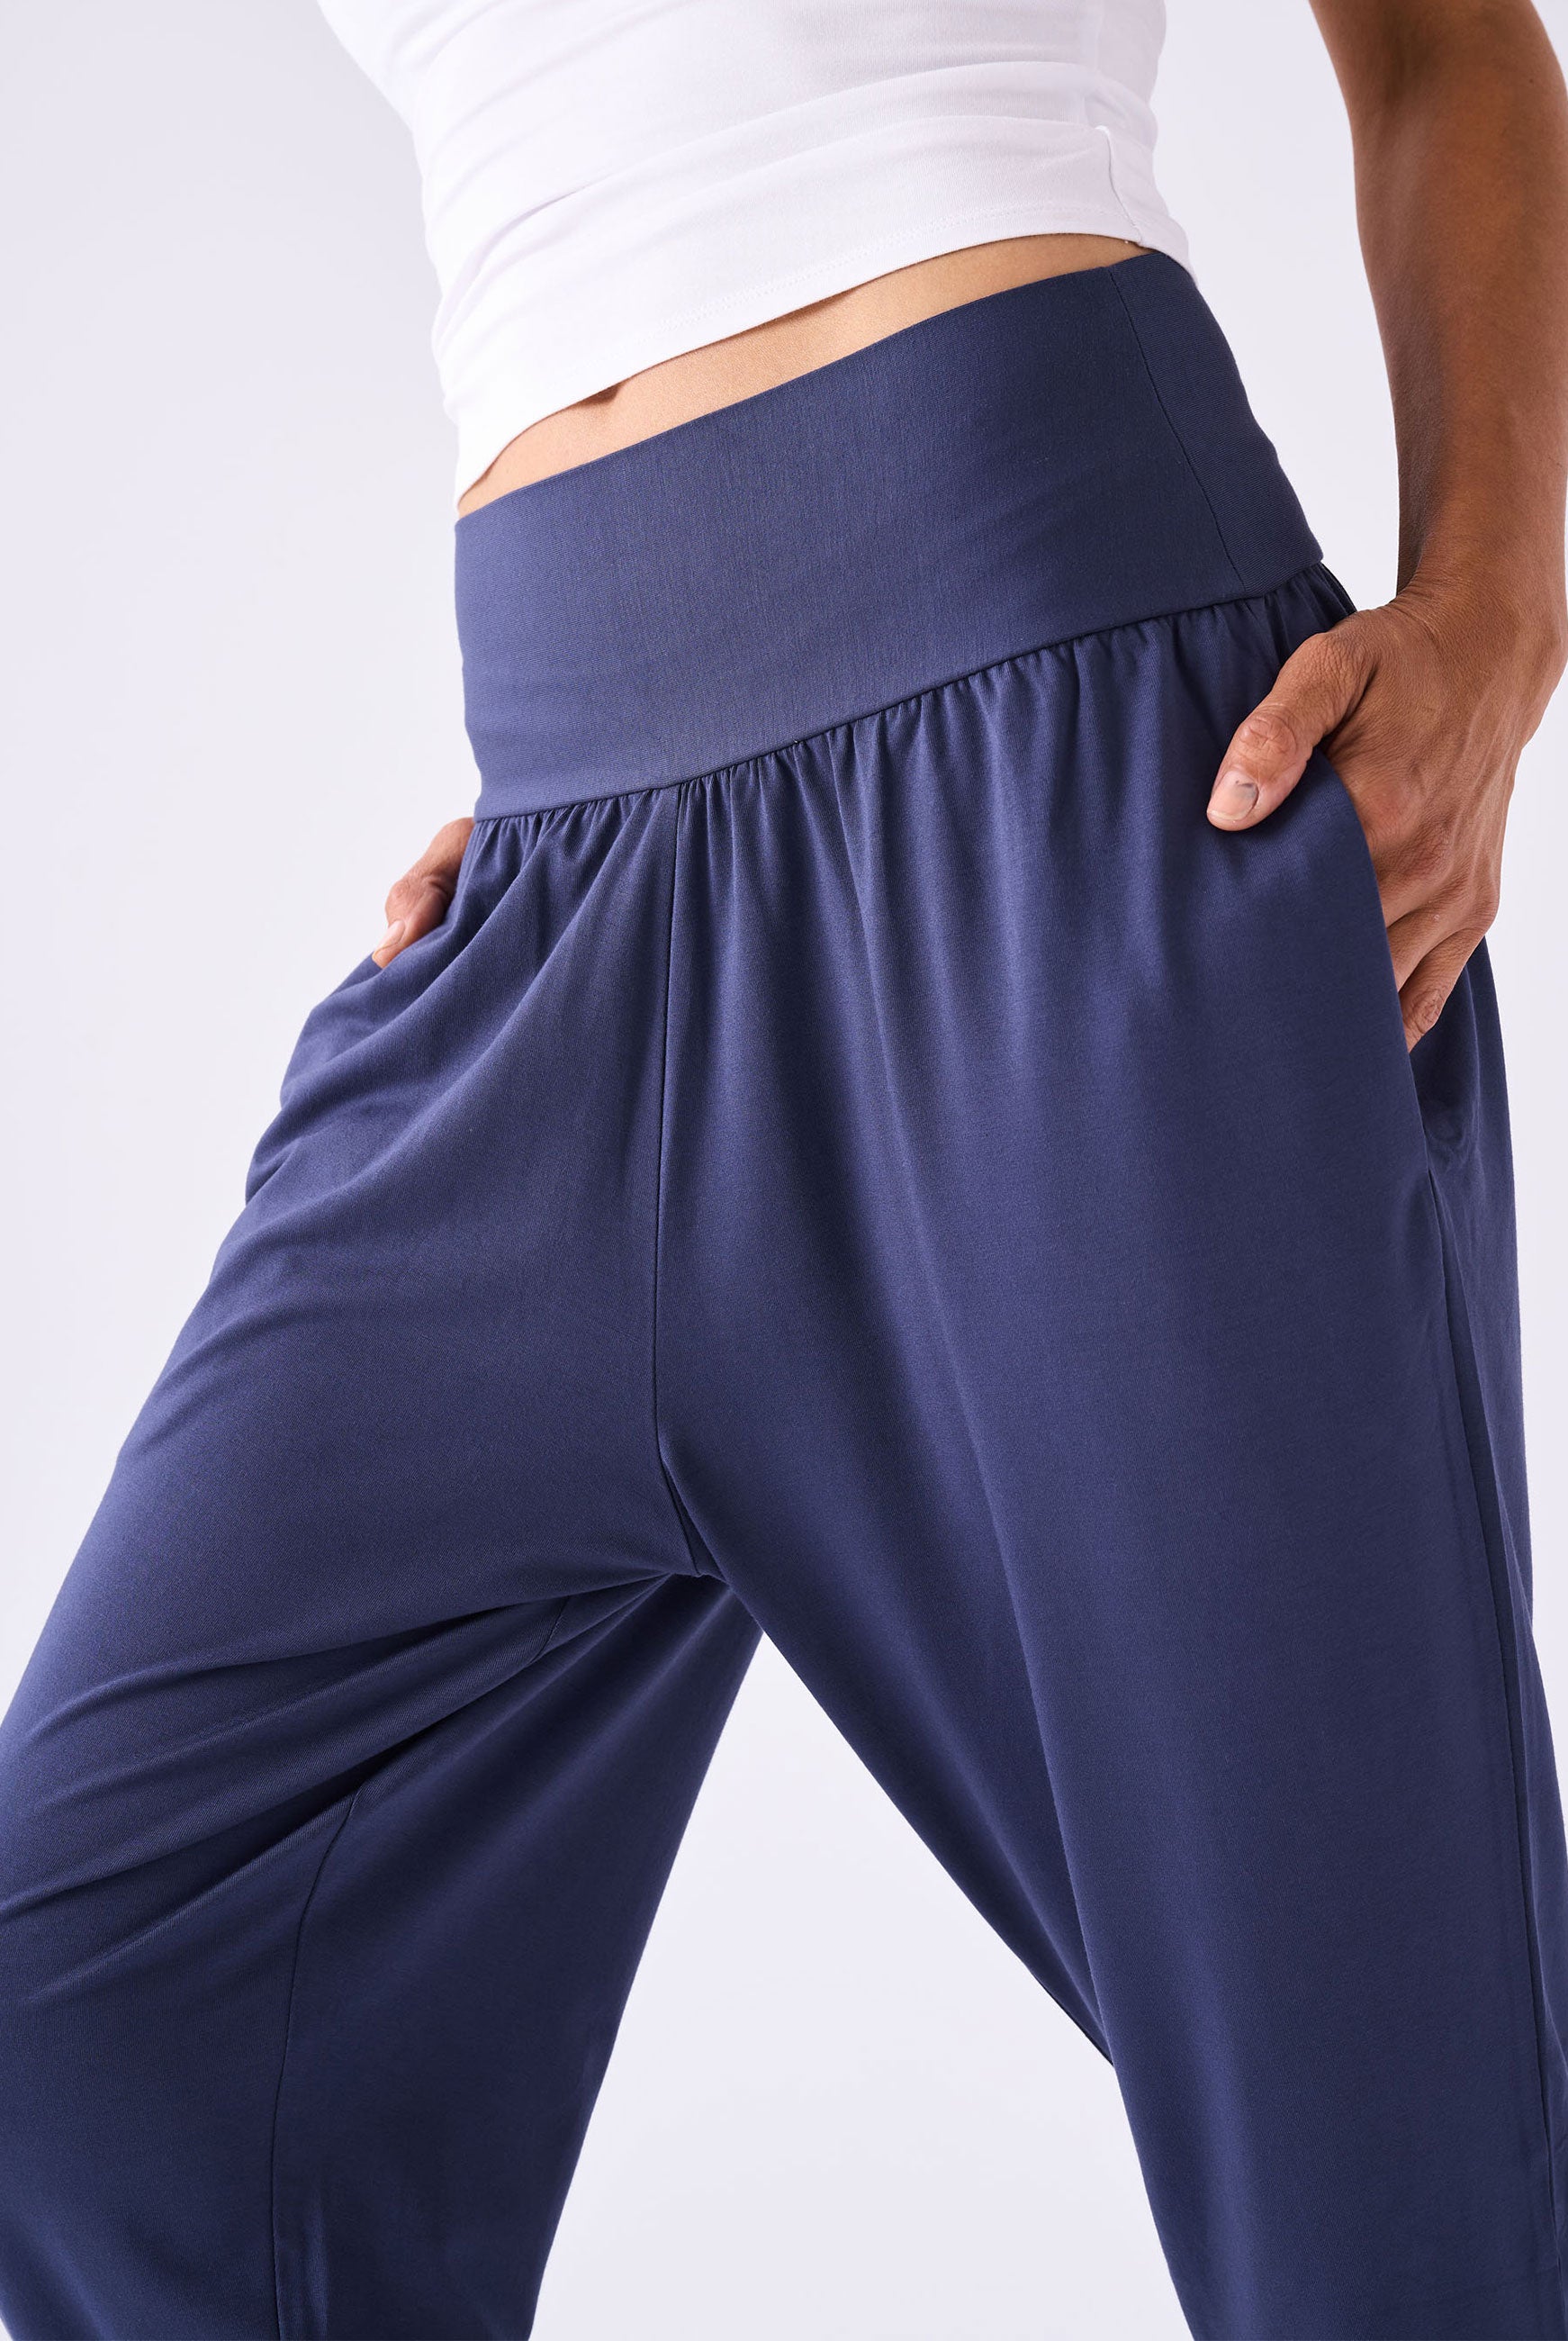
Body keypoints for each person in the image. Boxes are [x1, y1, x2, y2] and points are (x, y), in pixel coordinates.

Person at [2, 0, 1566, 2334]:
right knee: (107, 2013)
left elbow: (1444, 45)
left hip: (1076, 783)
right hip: (554, 889)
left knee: (1385, 2175)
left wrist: (1497, 629)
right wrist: (640, 743)